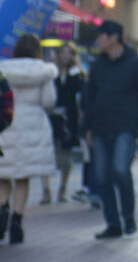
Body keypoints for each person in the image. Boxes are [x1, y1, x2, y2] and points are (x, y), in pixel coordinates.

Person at [83, 20, 138, 240]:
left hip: (125, 127)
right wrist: (86, 127)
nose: (98, 40)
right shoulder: (98, 64)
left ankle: (128, 217)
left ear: (113, 37)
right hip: (100, 128)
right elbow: (89, 97)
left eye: (101, 36)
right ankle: (113, 224)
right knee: (103, 177)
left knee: (121, 170)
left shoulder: (135, 63)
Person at [0, 34, 58, 244]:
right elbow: (48, 101)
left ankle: (1, 210)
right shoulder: (43, 72)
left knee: (3, 175)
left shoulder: (4, 69)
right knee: (22, 177)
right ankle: (17, 220)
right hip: (33, 125)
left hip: (6, 122)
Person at [49, 42, 85, 203]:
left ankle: (62, 188)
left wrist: (74, 72)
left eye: (69, 53)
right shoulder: (50, 71)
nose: (65, 56)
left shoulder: (76, 73)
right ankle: (45, 190)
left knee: (66, 154)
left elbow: (78, 91)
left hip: (69, 118)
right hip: (51, 115)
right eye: (62, 52)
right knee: (47, 153)